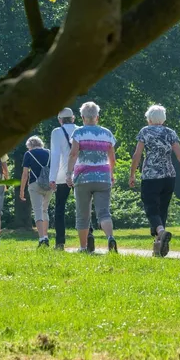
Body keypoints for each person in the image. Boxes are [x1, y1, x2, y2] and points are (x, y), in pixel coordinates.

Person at [129, 105, 180, 257]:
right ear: (163, 118)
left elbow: (137, 155)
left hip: (151, 175)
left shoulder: (145, 132)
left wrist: (132, 174)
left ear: (149, 118)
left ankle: (160, 232)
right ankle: (159, 245)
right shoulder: (170, 132)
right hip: (169, 176)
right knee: (162, 210)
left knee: (151, 207)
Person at [67, 102, 118, 253]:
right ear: (98, 117)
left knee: (83, 214)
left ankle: (83, 248)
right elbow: (112, 158)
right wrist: (111, 173)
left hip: (83, 178)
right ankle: (110, 237)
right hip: (103, 178)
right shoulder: (107, 134)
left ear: (82, 117)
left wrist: (69, 173)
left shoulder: (78, 133)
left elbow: (74, 154)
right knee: (104, 212)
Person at [49, 108, 94, 251]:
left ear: (59, 120)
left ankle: (60, 242)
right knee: (84, 207)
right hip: (81, 173)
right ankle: (89, 236)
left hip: (63, 175)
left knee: (60, 209)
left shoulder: (56, 132)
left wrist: (52, 178)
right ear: (73, 118)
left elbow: (55, 156)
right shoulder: (81, 130)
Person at [20, 135, 53, 248]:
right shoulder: (49, 152)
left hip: (35, 184)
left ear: (29, 145)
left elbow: (25, 174)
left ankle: (41, 238)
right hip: (49, 185)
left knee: (38, 211)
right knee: (45, 210)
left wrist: (22, 190)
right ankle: (46, 236)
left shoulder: (28, 154)